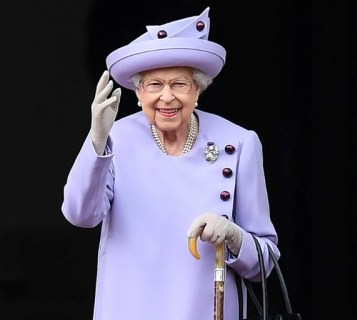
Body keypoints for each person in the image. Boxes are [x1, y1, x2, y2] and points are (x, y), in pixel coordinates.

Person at [61, 7, 280, 320]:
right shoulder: (116, 138)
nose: (167, 97)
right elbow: (79, 214)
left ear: (198, 89)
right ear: (138, 93)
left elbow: (265, 262)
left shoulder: (240, 142)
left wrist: (234, 236)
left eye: (179, 84)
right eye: (154, 85)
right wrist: (97, 138)